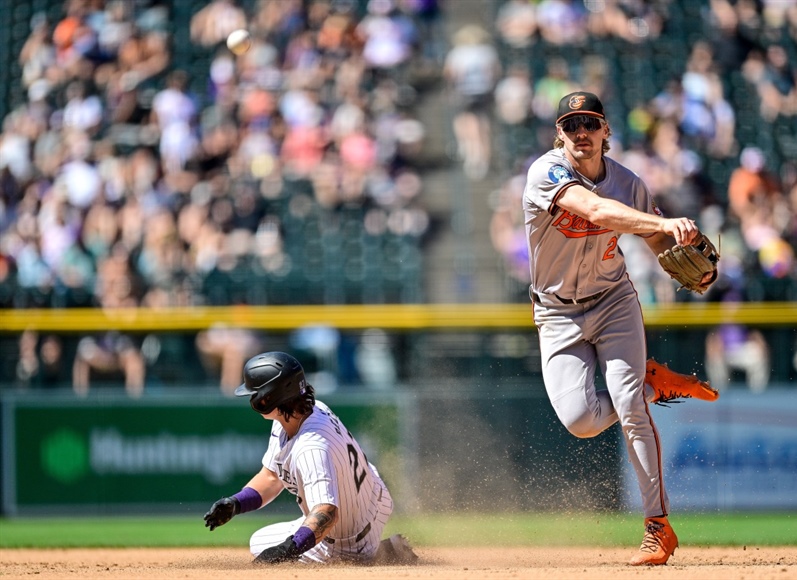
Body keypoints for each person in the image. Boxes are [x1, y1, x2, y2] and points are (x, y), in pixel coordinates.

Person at [522, 91, 720, 566]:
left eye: (590, 123)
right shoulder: (546, 173)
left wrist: (689, 263)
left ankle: (658, 527)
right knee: (582, 422)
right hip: (556, 312)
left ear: (606, 130)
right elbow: (597, 212)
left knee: (627, 406)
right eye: (572, 126)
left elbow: (654, 239)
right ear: (559, 134)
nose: (581, 133)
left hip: (613, 301)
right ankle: (654, 384)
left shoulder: (629, 183)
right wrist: (663, 221)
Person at [203, 351, 417, 565]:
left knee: (263, 546)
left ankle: (380, 554)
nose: (251, 397)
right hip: (372, 501)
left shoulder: (311, 446)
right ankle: (377, 549)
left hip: (348, 538)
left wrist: (289, 549)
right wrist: (236, 503)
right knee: (261, 540)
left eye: (255, 393)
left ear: (269, 397)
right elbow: (271, 477)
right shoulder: (304, 412)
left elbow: (327, 513)